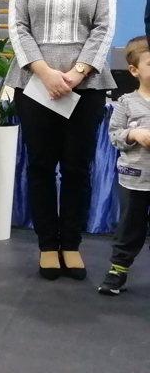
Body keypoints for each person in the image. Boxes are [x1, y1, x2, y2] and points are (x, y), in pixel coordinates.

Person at [6, 0, 116, 281]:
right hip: (36, 83)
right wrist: (45, 72)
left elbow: (104, 27)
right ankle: (47, 246)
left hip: (86, 85)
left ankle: (71, 244)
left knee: (76, 167)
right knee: (40, 165)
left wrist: (77, 72)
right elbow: (18, 28)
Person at [99, 36, 150, 295]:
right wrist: (134, 135)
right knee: (129, 226)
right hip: (134, 179)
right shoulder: (126, 102)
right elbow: (114, 136)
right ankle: (118, 270)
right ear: (134, 70)